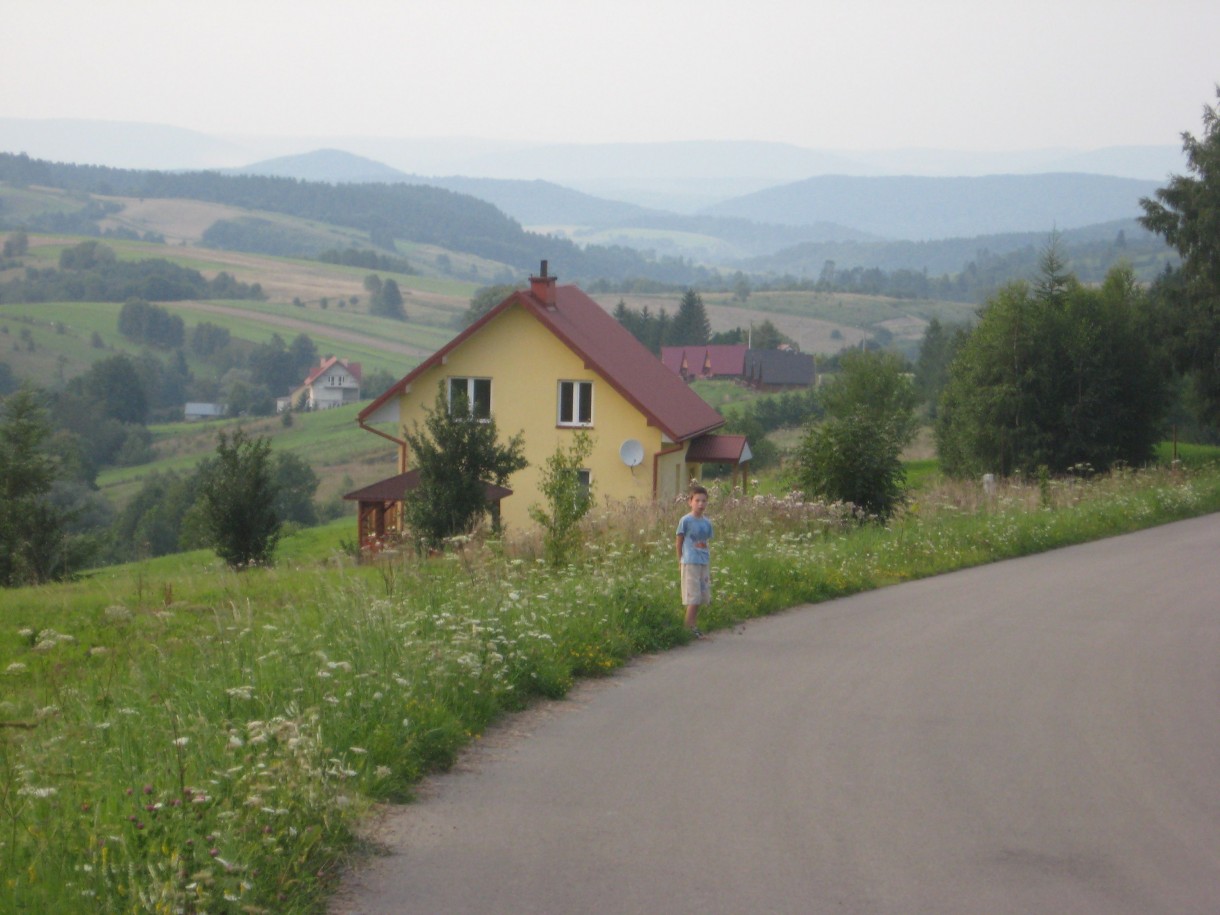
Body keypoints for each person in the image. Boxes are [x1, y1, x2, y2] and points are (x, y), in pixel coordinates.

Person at [675, 485, 713, 637]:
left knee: (702, 595)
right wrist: (680, 560)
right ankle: (688, 627)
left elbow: (706, 542)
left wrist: (708, 561)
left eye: (704, 501)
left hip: (703, 561)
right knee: (693, 595)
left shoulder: (707, 522)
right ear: (690, 501)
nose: (700, 504)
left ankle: (692, 624)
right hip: (690, 561)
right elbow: (679, 541)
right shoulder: (685, 520)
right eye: (697, 500)